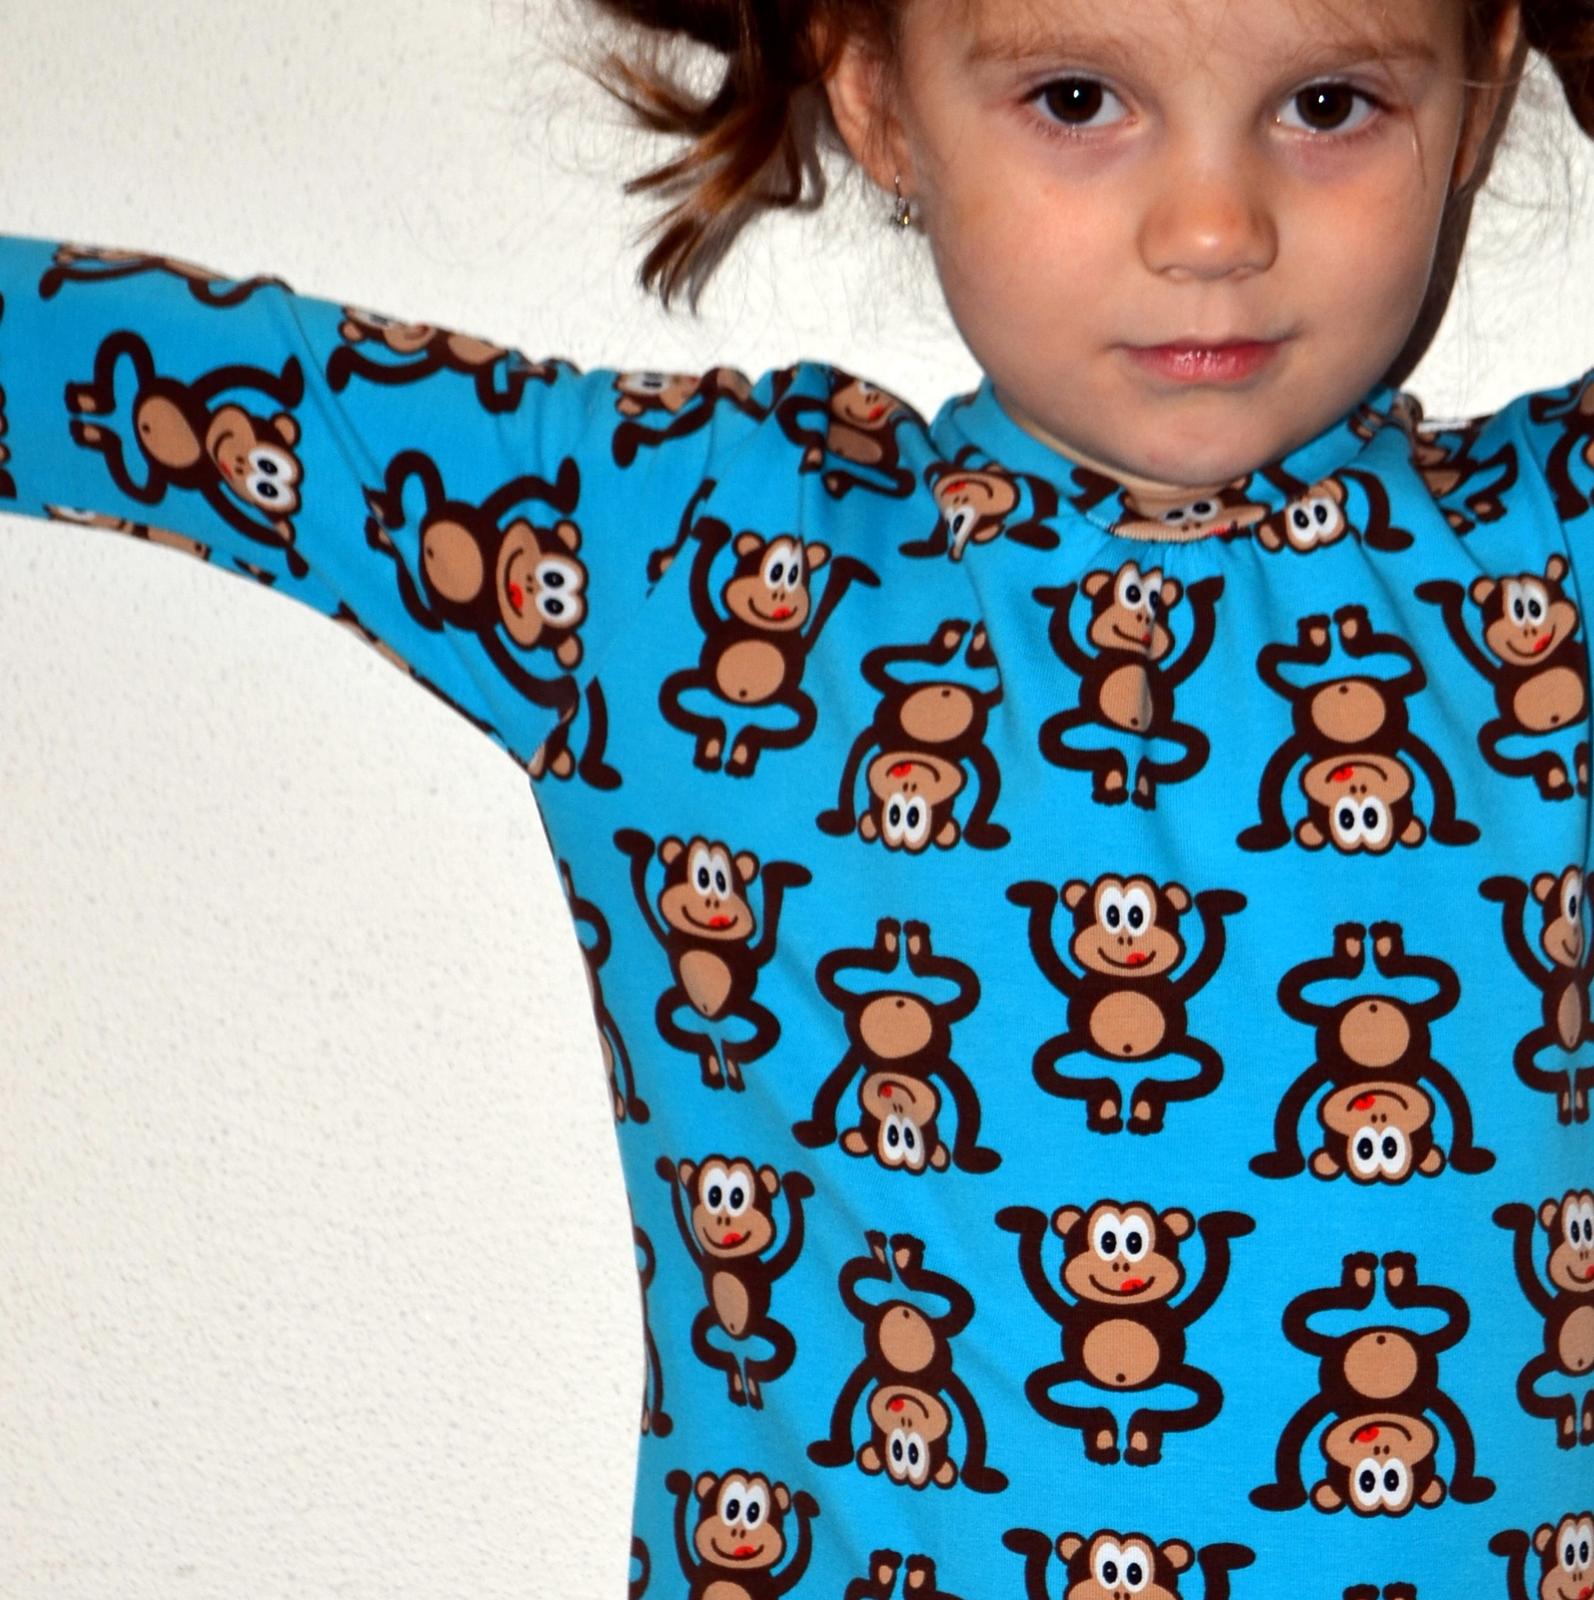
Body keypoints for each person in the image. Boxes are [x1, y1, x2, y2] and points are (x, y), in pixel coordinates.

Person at [3, 0, 1592, 1592]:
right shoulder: (697, 571)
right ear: (878, 95)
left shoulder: (1548, 579)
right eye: (1074, 98)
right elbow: (199, 391)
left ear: (1472, 97)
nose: (1210, 228)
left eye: (1325, 104)